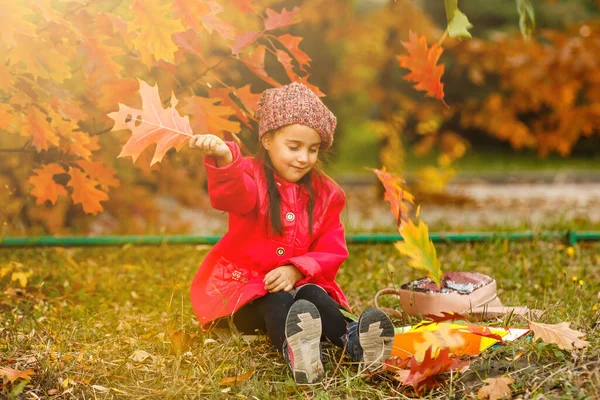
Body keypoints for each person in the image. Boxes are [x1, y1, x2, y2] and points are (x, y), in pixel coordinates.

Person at [189, 82, 394, 384]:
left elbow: (332, 248)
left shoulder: (325, 195)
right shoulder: (250, 177)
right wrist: (225, 158)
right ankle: (299, 352)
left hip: (299, 288)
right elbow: (231, 195)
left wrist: (299, 270)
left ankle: (352, 340)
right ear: (268, 140)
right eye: (294, 147)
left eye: (312, 150)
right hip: (246, 295)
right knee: (278, 303)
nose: (303, 158)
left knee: (312, 295)